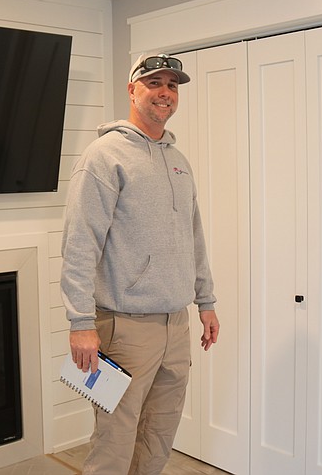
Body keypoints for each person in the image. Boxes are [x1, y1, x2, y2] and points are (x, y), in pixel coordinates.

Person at [60, 52, 220, 474]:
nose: (164, 92)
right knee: (114, 443)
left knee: (158, 437)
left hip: (177, 323)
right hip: (124, 328)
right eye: (154, 83)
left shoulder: (178, 161)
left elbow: (193, 235)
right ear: (132, 90)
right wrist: (80, 323)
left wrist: (206, 301)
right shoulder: (103, 156)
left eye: (172, 85)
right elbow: (80, 243)